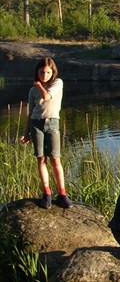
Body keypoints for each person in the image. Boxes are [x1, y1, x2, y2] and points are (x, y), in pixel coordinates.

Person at [20, 57, 73, 209]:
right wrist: (26, 133)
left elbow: (47, 96)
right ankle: (47, 193)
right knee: (41, 159)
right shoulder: (32, 90)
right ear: (37, 71)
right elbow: (30, 112)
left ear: (53, 72)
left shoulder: (57, 83)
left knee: (55, 159)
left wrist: (39, 86)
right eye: (42, 72)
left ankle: (62, 194)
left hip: (52, 123)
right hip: (36, 124)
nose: (44, 75)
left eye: (48, 72)